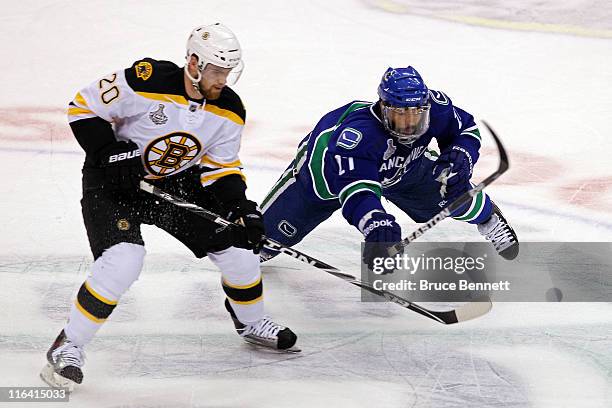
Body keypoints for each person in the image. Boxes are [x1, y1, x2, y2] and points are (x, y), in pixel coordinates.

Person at [40, 23, 298, 391]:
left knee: (240, 249)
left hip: (175, 183)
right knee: (123, 261)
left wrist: (242, 208)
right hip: (114, 182)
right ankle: (69, 345)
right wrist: (109, 152)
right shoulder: (146, 79)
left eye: (227, 72)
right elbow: (83, 107)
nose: (222, 80)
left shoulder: (229, 109)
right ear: (193, 63)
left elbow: (220, 168)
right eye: (216, 71)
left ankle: (251, 321)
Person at [259, 66, 519, 268]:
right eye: (399, 115)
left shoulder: (435, 108)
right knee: (258, 246)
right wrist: (377, 226)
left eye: (415, 114)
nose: (408, 125)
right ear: (383, 108)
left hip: (403, 169)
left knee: (452, 187)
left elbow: (465, 128)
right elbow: (357, 192)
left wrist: (461, 154)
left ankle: (489, 219)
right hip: (323, 180)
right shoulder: (358, 137)